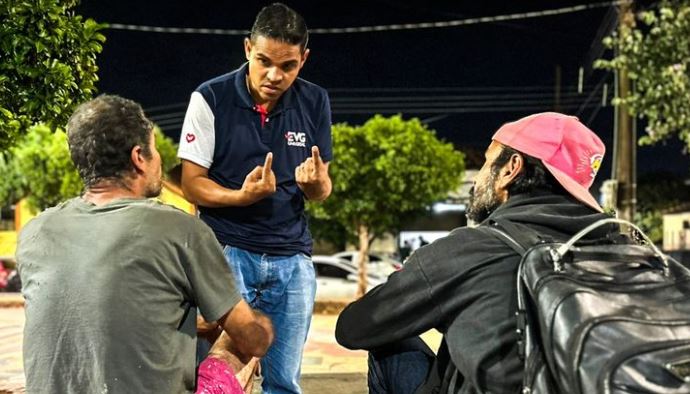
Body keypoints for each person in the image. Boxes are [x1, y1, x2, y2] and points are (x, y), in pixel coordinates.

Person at [335, 112, 614, 393]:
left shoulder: (469, 249)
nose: (479, 177)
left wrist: (442, 306)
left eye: (487, 160)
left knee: (390, 339)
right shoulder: (623, 249)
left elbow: (352, 329)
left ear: (511, 168)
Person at [17, 95, 274, 393]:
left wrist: (195, 325)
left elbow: (92, 313)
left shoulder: (35, 232)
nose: (160, 159)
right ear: (139, 157)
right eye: (154, 149)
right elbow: (250, 338)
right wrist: (263, 327)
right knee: (244, 339)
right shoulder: (182, 229)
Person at [177, 3, 332, 393]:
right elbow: (192, 184)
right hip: (225, 255)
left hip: (292, 260)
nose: (275, 75)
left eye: (289, 66)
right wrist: (240, 197)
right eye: (264, 61)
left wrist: (314, 184)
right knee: (214, 377)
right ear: (248, 49)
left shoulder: (315, 101)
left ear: (304, 59)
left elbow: (323, 189)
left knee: (283, 382)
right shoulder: (209, 98)